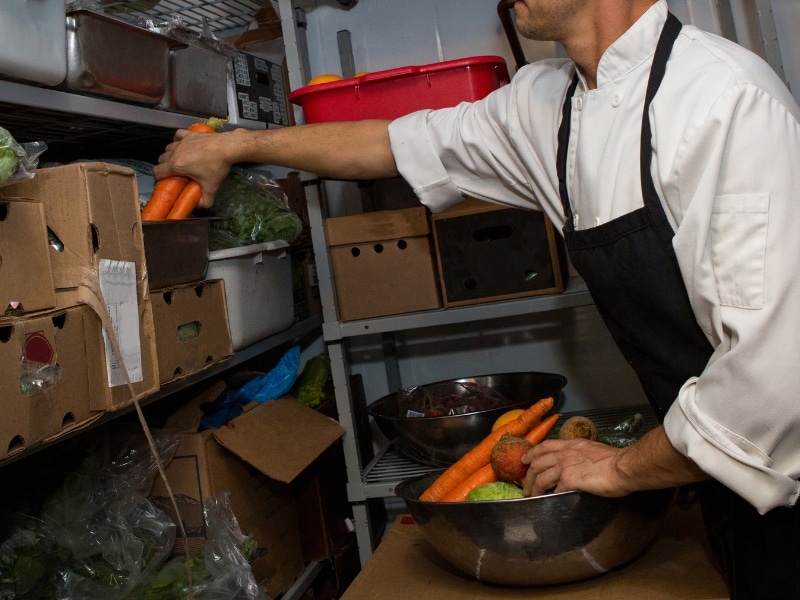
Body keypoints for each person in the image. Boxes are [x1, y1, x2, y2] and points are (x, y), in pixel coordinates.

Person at [154, 0, 800, 596]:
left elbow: (771, 385)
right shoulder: (548, 104)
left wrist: (624, 468)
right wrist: (236, 146)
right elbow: (387, 143)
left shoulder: (724, 99)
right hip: (717, 481)